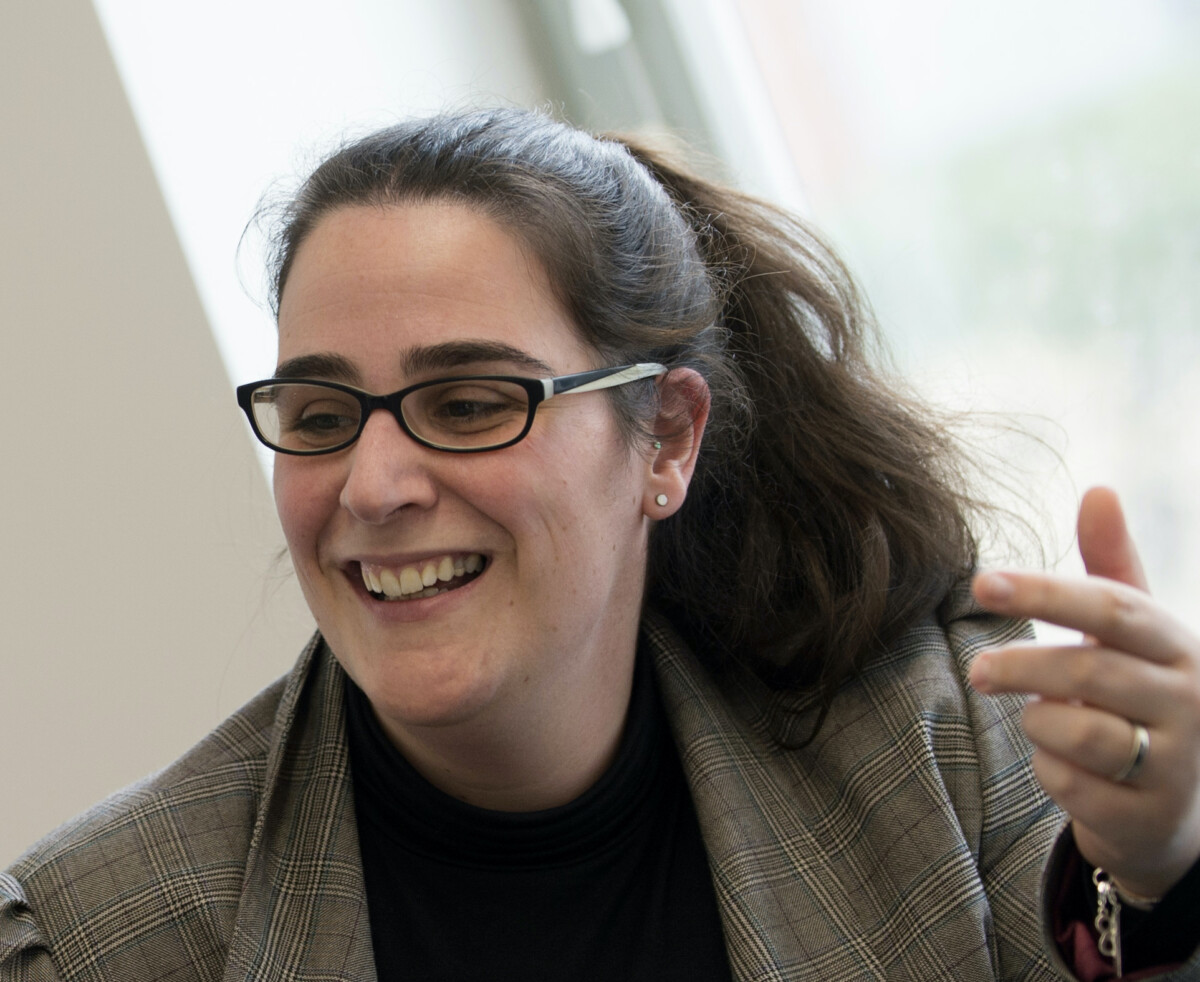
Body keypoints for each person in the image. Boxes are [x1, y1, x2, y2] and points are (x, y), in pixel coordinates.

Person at [1, 107, 1197, 981]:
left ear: (666, 438)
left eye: (469, 403)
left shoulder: (934, 735)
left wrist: (1164, 878)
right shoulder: (92, 939)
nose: (373, 485)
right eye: (320, 418)